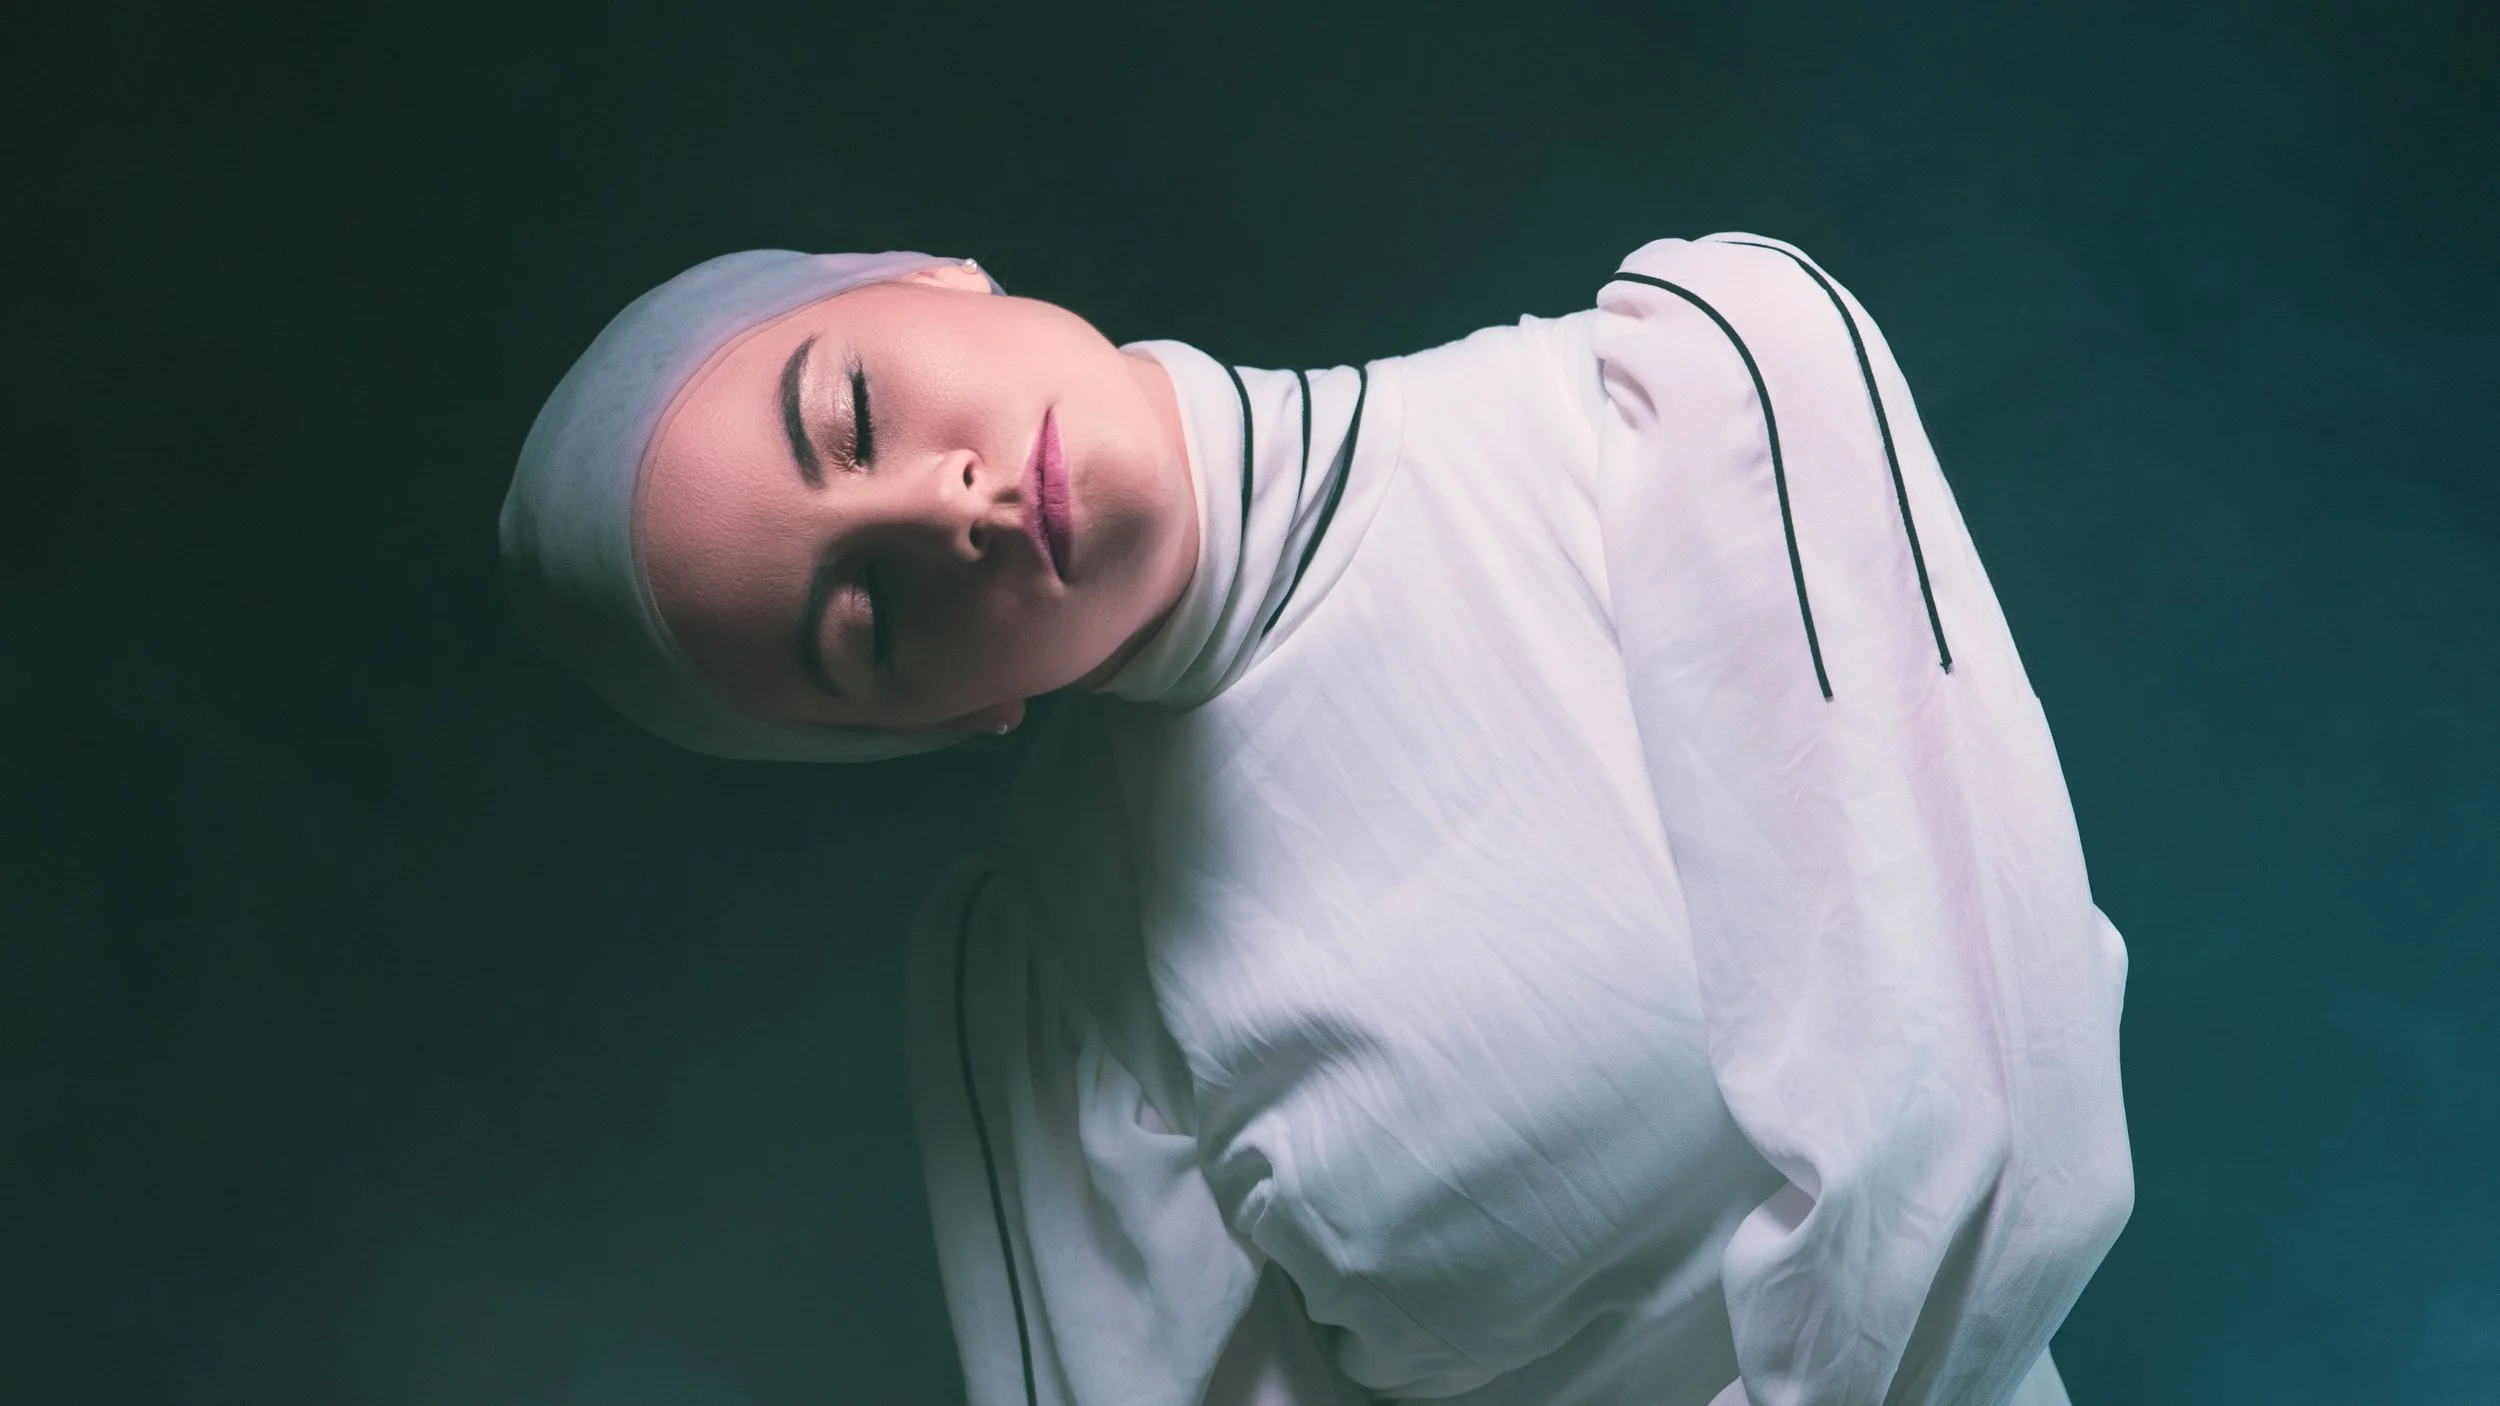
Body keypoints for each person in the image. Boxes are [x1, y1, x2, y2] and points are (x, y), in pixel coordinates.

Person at [500, 235, 2135, 1406]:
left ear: (937, 277)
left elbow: (1990, 1140)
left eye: (850, 413)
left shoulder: (1689, 386)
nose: (947, 508)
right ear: (938, 719)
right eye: (865, 621)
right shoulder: (1058, 1013)